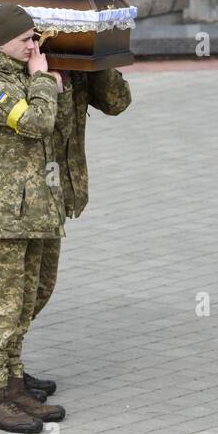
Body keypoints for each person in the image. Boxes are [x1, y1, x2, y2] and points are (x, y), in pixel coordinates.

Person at [0, 4, 68, 433]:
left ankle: (13, 380)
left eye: (35, 39)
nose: (33, 45)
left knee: (32, 294)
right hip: (8, 211)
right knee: (1, 303)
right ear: (3, 40)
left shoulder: (19, 73)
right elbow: (35, 122)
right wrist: (44, 80)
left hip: (40, 205)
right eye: (26, 39)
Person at [18, 66, 132, 399]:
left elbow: (117, 101)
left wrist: (96, 59)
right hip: (22, 199)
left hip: (56, 192)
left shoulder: (78, 68)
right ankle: (1, 379)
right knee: (15, 293)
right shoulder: (15, 68)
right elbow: (36, 122)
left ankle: (9, 367)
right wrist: (43, 78)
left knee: (40, 286)